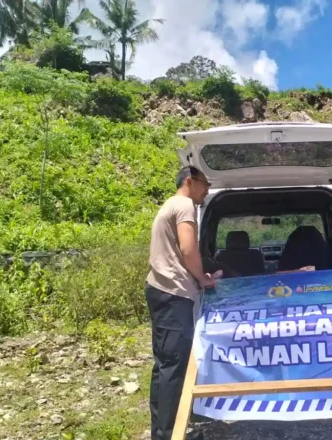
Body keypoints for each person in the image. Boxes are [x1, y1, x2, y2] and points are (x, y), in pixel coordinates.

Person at [145, 165, 217, 440]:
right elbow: (188, 249)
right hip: (172, 294)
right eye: (205, 184)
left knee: (165, 365)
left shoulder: (171, 205)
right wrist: (203, 279)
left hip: (162, 292)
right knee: (174, 365)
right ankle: (168, 434)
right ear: (190, 181)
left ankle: (164, 431)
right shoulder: (185, 205)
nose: (207, 189)